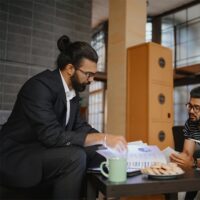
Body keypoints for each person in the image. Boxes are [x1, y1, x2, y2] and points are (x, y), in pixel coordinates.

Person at [0, 35, 127, 199]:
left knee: (98, 152)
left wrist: (108, 141)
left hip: (44, 151)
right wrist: (101, 137)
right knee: (75, 157)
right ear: (70, 69)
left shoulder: (71, 92)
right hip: (19, 156)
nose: (92, 80)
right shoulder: (39, 87)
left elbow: (80, 126)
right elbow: (52, 135)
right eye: (88, 74)